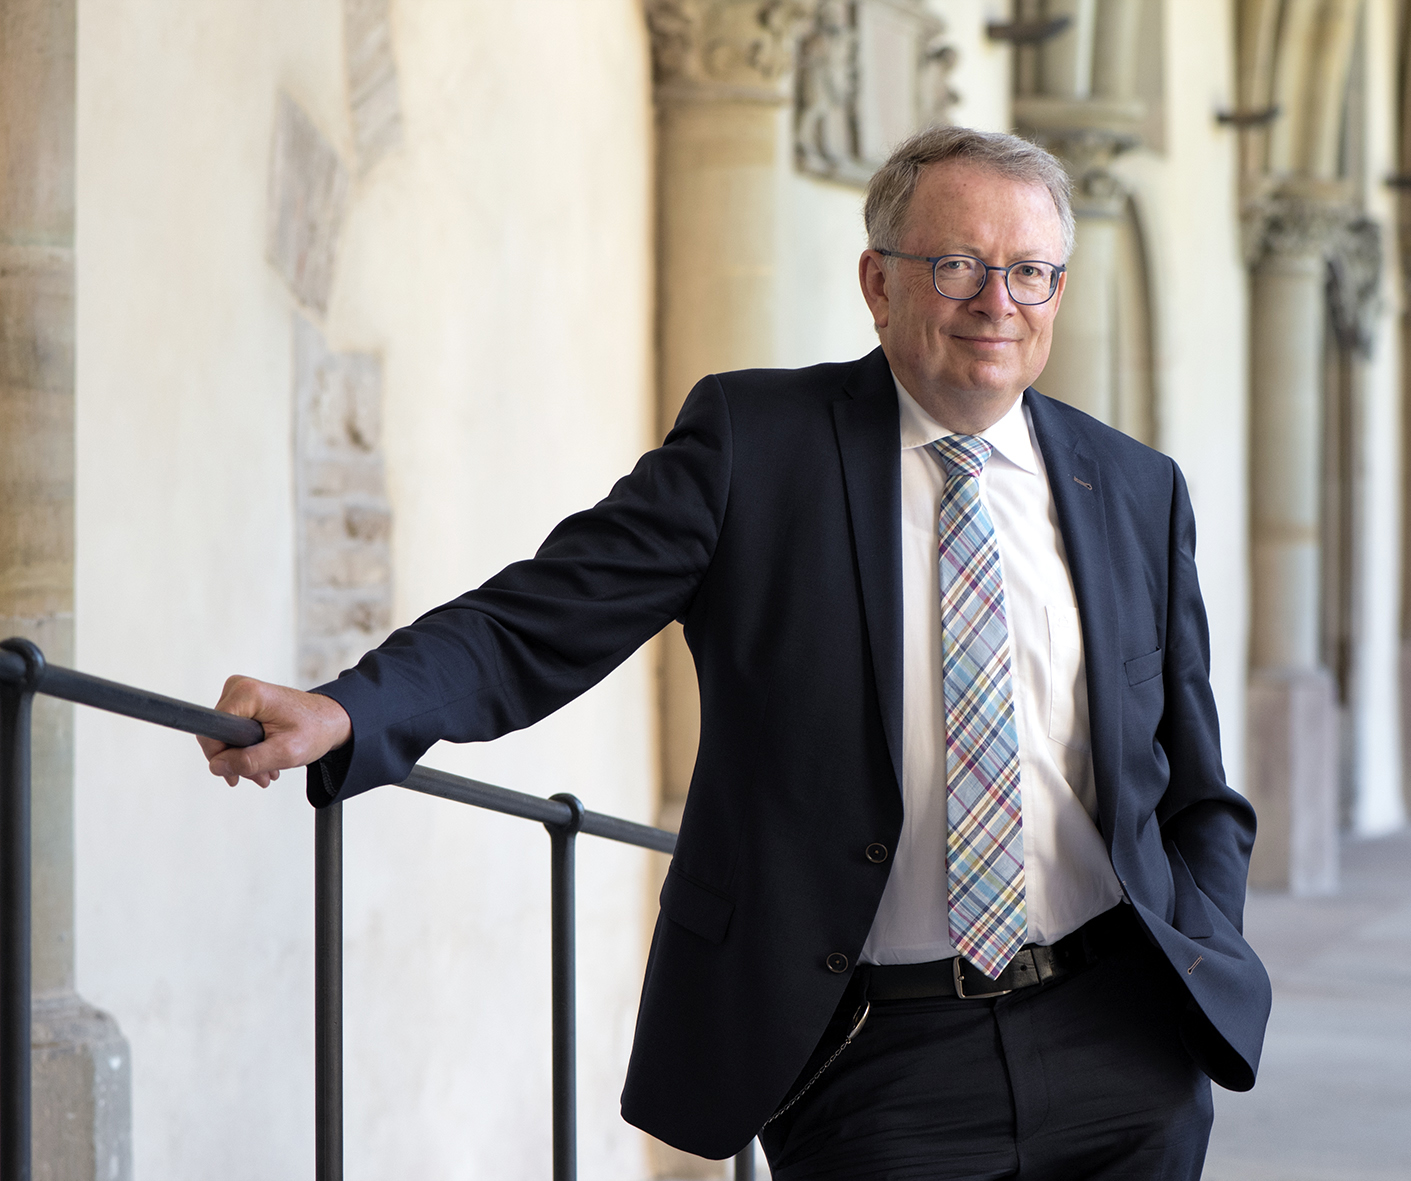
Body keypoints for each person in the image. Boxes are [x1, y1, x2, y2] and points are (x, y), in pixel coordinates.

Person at [201, 125, 1270, 1179]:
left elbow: (1190, 775)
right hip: (878, 1063)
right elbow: (541, 615)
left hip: (1118, 1047)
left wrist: (1202, 953)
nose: (996, 302)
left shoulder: (1133, 488)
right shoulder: (755, 445)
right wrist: (352, 708)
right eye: (956, 265)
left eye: (1028, 271)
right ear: (878, 282)